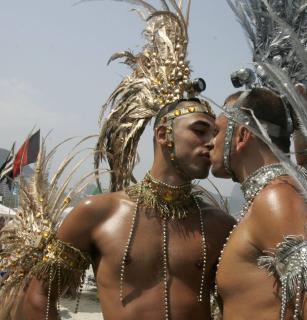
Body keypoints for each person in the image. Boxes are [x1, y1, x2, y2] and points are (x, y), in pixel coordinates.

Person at [21, 98, 235, 320]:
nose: (211, 142)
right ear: (163, 135)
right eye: (200, 130)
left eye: (215, 134)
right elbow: (38, 297)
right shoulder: (99, 214)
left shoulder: (222, 227)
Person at [209, 87, 307, 319]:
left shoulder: (278, 198)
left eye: (217, 131)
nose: (210, 142)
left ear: (242, 135)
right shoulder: (279, 193)